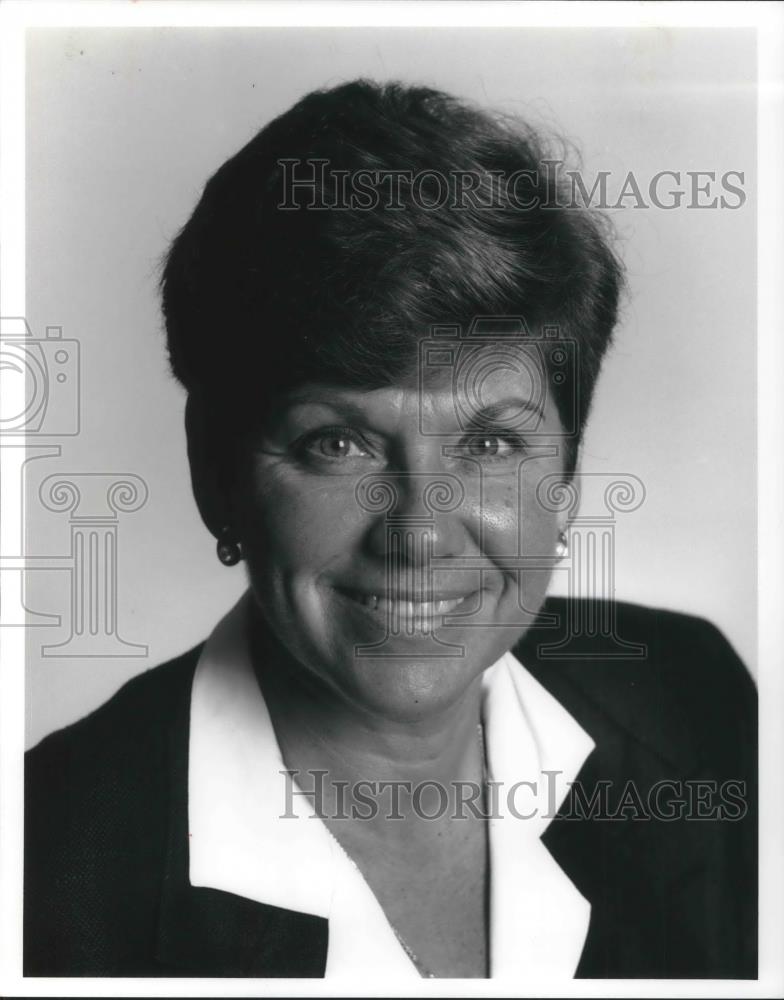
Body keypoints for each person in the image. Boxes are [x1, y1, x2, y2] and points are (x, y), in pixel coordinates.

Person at [24, 79, 756, 979]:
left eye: (490, 441)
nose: (419, 532)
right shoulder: (47, 876)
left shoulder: (698, 705)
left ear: (564, 478)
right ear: (215, 471)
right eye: (337, 442)